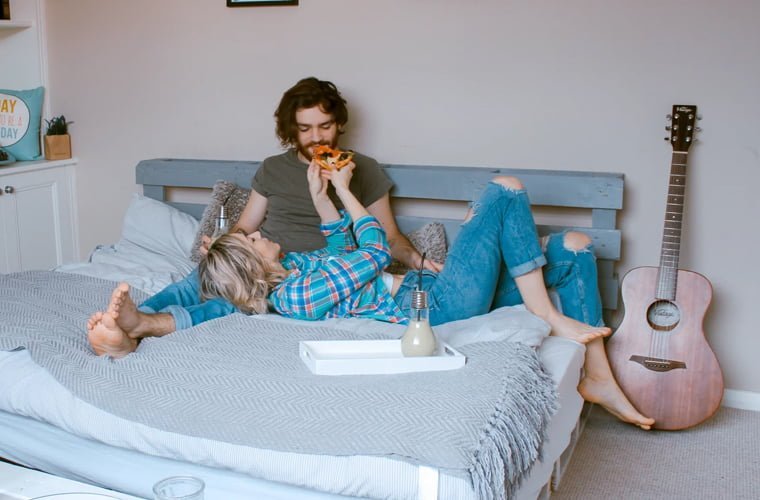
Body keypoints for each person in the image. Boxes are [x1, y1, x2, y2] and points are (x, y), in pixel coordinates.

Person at [87, 161, 655, 430]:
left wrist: (327, 196)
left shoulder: (299, 265)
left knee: (576, 246)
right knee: (505, 190)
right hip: (437, 304)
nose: (259, 233)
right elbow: (375, 250)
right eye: (253, 239)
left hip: (435, 287)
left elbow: (344, 245)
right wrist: (347, 194)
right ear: (254, 266)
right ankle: (546, 313)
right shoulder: (298, 296)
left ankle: (596, 373)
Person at [206, 76, 440, 272]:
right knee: (202, 280)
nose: (316, 137)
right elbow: (245, 227)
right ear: (292, 130)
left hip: (328, 272)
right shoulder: (272, 168)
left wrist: (417, 261)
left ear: (339, 124)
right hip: (267, 267)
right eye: (305, 129)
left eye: (325, 126)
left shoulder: (364, 168)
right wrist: (221, 246)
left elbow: (390, 237)